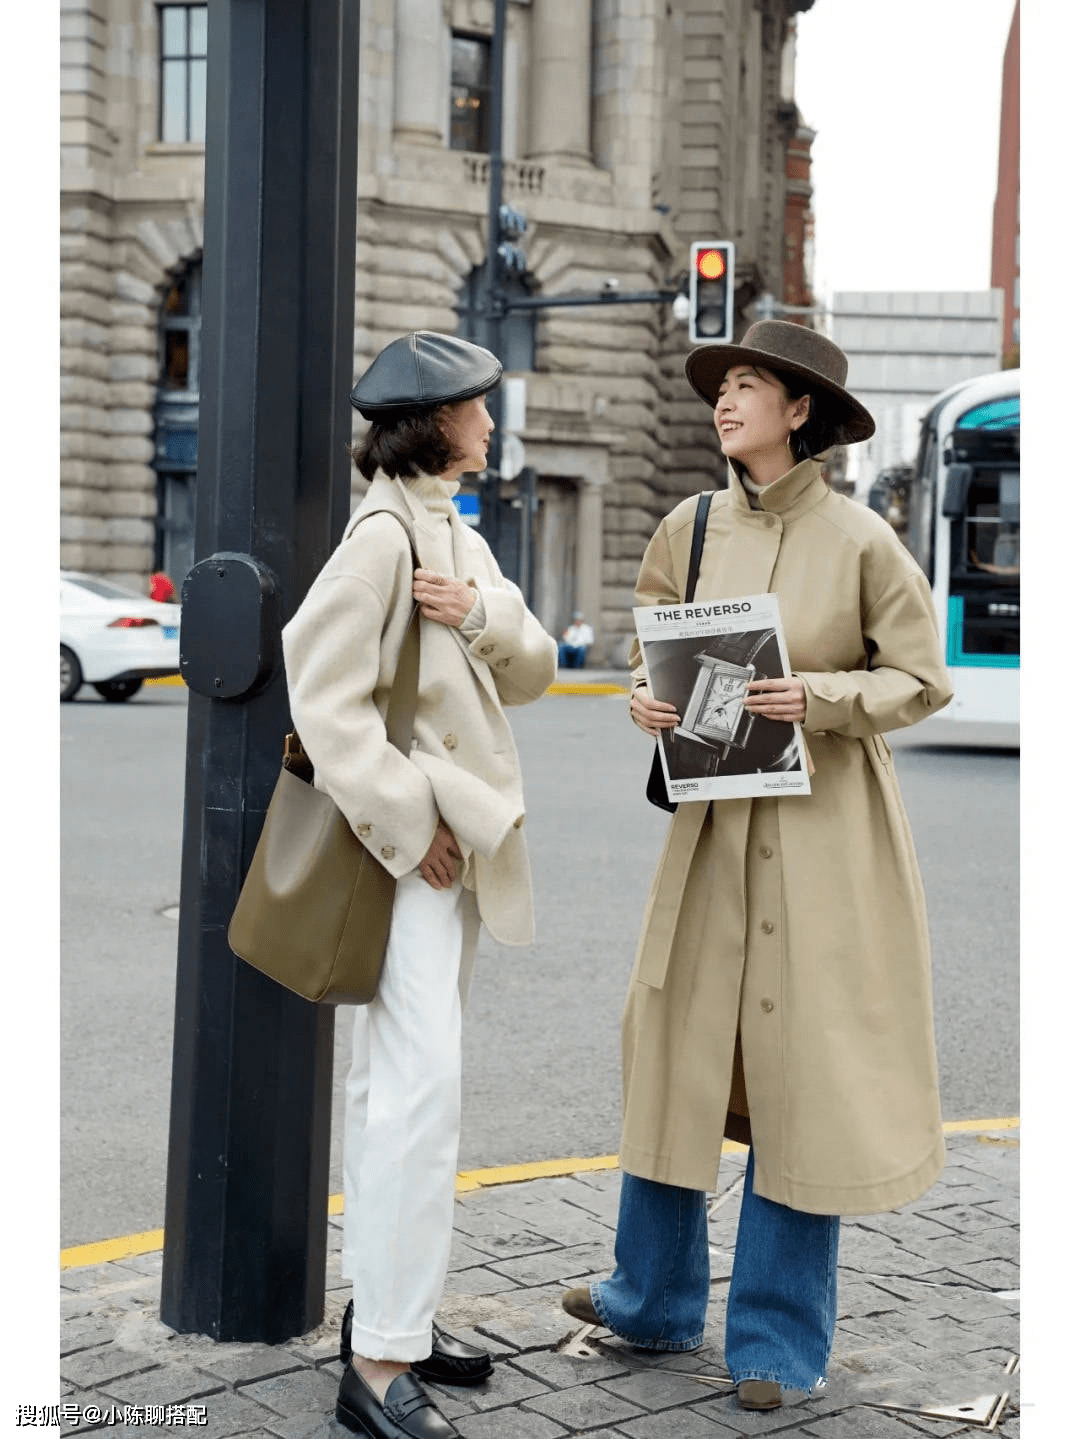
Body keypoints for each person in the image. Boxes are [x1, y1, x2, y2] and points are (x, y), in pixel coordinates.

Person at [560, 320, 954, 1412]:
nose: (725, 401)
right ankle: (648, 1296)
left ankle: (776, 1341)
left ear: (799, 413)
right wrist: (645, 695)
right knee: (677, 1052)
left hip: (828, 837)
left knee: (802, 1078)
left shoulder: (864, 540)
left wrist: (819, 698)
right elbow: (652, 638)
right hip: (712, 830)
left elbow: (921, 678)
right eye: (722, 385)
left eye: (747, 386)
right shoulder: (688, 526)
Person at [282, 331, 557, 1439]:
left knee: (398, 1092)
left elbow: (534, 664)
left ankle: (395, 1313)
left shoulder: (453, 532)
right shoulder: (381, 537)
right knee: (414, 1096)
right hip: (413, 857)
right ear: (439, 419)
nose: (493, 423)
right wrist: (409, 821)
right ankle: (381, 1368)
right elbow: (322, 690)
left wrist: (477, 613)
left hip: (449, 857)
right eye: (480, 409)